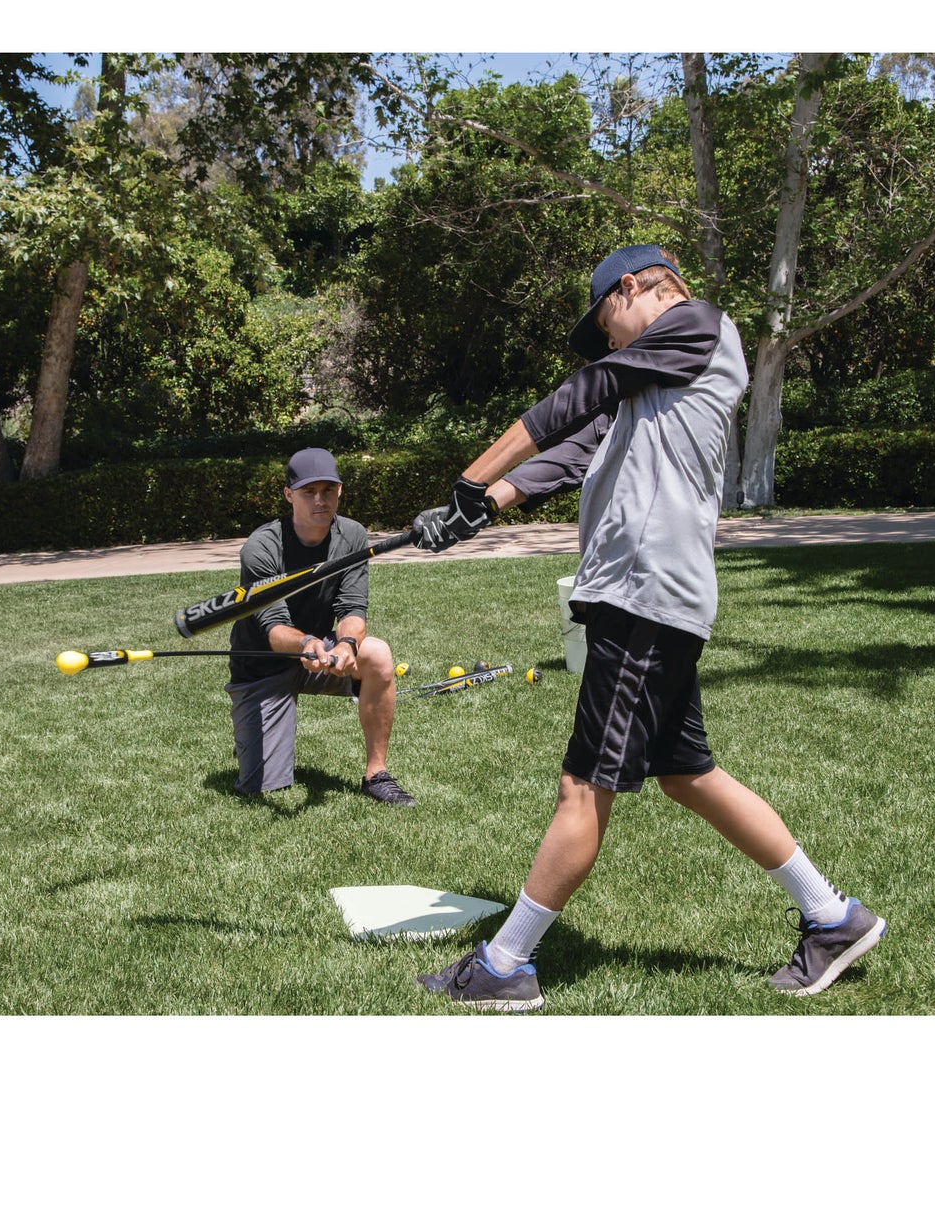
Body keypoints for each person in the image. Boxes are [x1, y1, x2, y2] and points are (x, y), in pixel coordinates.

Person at [411, 245, 885, 1009]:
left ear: (633, 288)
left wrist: (469, 475)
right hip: (647, 599)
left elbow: (587, 388)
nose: (609, 344)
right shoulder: (651, 385)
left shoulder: (696, 325)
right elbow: (567, 450)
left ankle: (505, 965)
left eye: (608, 323)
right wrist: (474, 506)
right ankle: (831, 916)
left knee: (582, 784)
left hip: (643, 597)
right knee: (685, 774)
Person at [225, 447, 413, 805]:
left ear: (339, 490)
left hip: (322, 654)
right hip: (262, 668)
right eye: (309, 492)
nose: (320, 500)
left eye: (328, 490)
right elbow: (275, 627)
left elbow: (353, 608)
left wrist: (345, 646)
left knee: (376, 653)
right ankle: (254, 732)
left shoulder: (352, 535)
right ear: (288, 495)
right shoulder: (261, 547)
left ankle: (376, 775)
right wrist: (308, 643)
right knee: (262, 787)